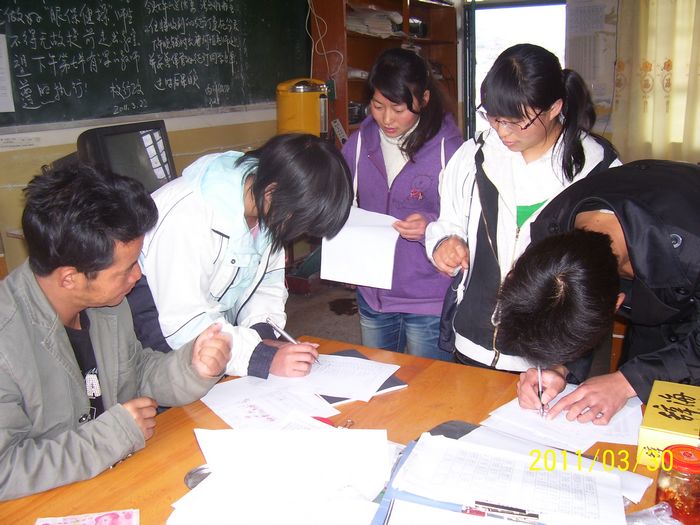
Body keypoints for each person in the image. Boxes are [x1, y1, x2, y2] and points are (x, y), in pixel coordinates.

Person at [0, 165, 231, 501]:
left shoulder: (106, 302)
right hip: (47, 503)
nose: (137, 276)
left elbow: (135, 371)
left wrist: (192, 367)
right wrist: (113, 434)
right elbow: (5, 470)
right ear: (69, 278)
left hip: (112, 480)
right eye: (126, 269)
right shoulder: (7, 340)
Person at [425, 43, 619, 371]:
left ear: (554, 108)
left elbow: (604, 273)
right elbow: (449, 220)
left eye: (518, 122)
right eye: (494, 117)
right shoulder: (474, 155)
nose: (503, 132)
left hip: (547, 357)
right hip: (472, 339)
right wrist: (444, 242)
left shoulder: (597, 170)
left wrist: (561, 362)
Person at [128, 133, 353, 378]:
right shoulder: (188, 217)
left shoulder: (268, 206)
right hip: (155, 325)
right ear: (272, 192)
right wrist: (261, 358)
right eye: (301, 223)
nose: (298, 233)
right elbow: (184, 323)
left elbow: (265, 285)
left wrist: (264, 337)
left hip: (210, 324)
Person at [504, 159, 700, 424]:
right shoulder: (550, 237)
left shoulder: (692, 245)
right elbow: (571, 304)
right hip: (651, 324)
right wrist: (558, 367)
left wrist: (627, 382)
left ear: (617, 304)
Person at [341, 47, 463, 360]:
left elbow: (470, 216)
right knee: (376, 380)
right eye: (378, 106)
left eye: (398, 108)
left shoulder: (449, 149)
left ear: (424, 99)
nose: (387, 119)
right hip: (373, 293)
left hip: (428, 296)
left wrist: (431, 227)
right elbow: (340, 203)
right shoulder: (359, 143)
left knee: (428, 383)